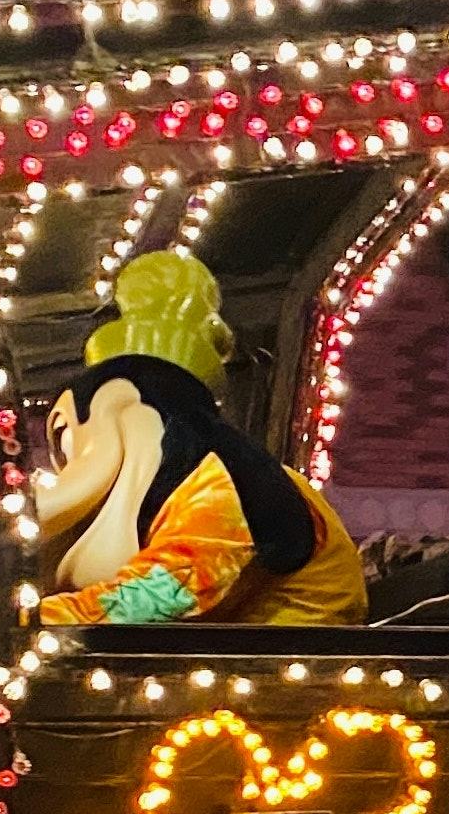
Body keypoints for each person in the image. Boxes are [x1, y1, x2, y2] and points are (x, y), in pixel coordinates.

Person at [34, 250, 365, 629]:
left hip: (288, 661)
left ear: (124, 411)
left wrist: (26, 619)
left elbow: (168, 592)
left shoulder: (219, 481)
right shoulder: (164, 494)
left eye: (68, 434)